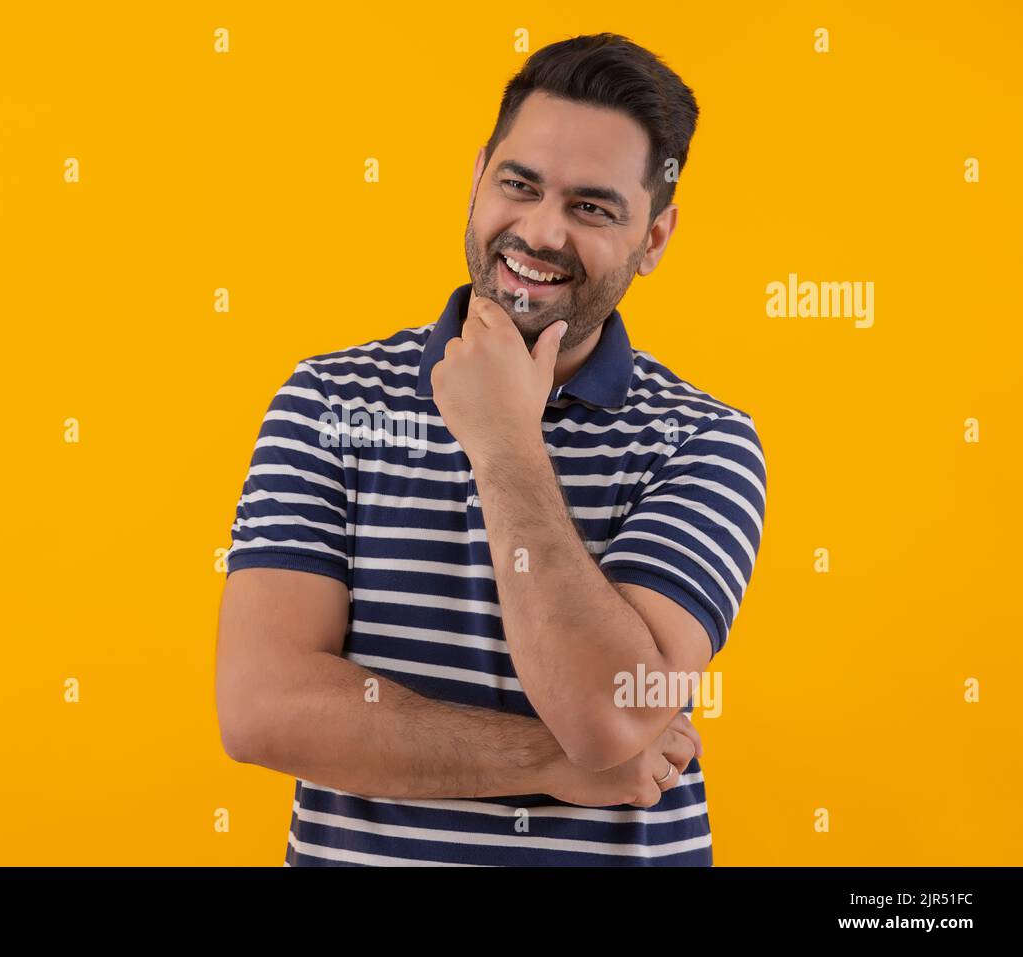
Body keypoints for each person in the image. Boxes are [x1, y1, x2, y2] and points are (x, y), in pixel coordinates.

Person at [216, 33, 767, 866]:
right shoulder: (329, 401)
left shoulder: (700, 441)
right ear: (478, 177)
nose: (541, 231)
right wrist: (548, 760)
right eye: (520, 184)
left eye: (592, 207)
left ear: (654, 238)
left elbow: (610, 714)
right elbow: (263, 708)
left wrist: (506, 441)